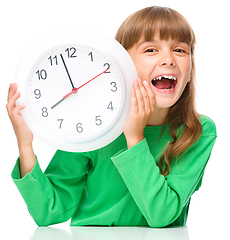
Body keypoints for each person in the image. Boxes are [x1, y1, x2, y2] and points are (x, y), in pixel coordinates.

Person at [6, 6, 216, 227]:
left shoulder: (198, 132)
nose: (169, 59)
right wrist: (25, 144)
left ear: (190, 69)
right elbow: (49, 212)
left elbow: (161, 215)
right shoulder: (92, 123)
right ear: (123, 63)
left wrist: (134, 138)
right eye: (151, 50)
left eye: (180, 50)